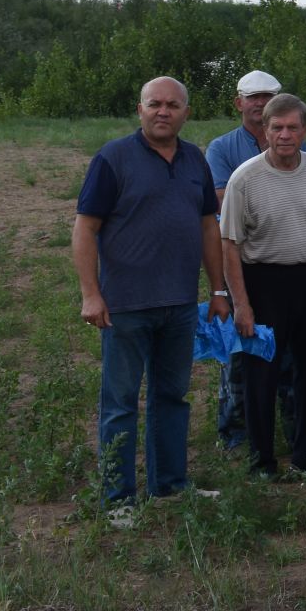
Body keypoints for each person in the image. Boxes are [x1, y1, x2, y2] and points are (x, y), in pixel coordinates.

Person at [74, 76, 227, 515]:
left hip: (179, 305)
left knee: (171, 397)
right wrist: (91, 294)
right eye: (154, 104)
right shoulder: (113, 158)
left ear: (186, 112)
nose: (164, 112)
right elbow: (85, 227)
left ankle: (170, 485)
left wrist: (217, 290)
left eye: (173, 105)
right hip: (124, 307)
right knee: (120, 404)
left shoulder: (195, 159)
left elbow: (207, 227)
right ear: (139, 110)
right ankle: (117, 499)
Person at [220, 94, 306, 478]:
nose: (285, 135)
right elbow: (229, 244)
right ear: (264, 130)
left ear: (305, 130)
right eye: (277, 128)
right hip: (263, 281)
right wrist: (241, 304)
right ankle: (262, 462)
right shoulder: (245, 178)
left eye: (293, 127)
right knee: (262, 374)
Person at [204, 68, 280, 450]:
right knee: (237, 347)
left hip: (281, 263)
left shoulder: (294, 142)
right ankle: (235, 432)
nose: (261, 104)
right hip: (236, 262)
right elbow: (221, 203)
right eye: (255, 97)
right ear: (239, 103)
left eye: (269, 97)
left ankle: (279, 423)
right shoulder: (221, 149)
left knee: (282, 346)